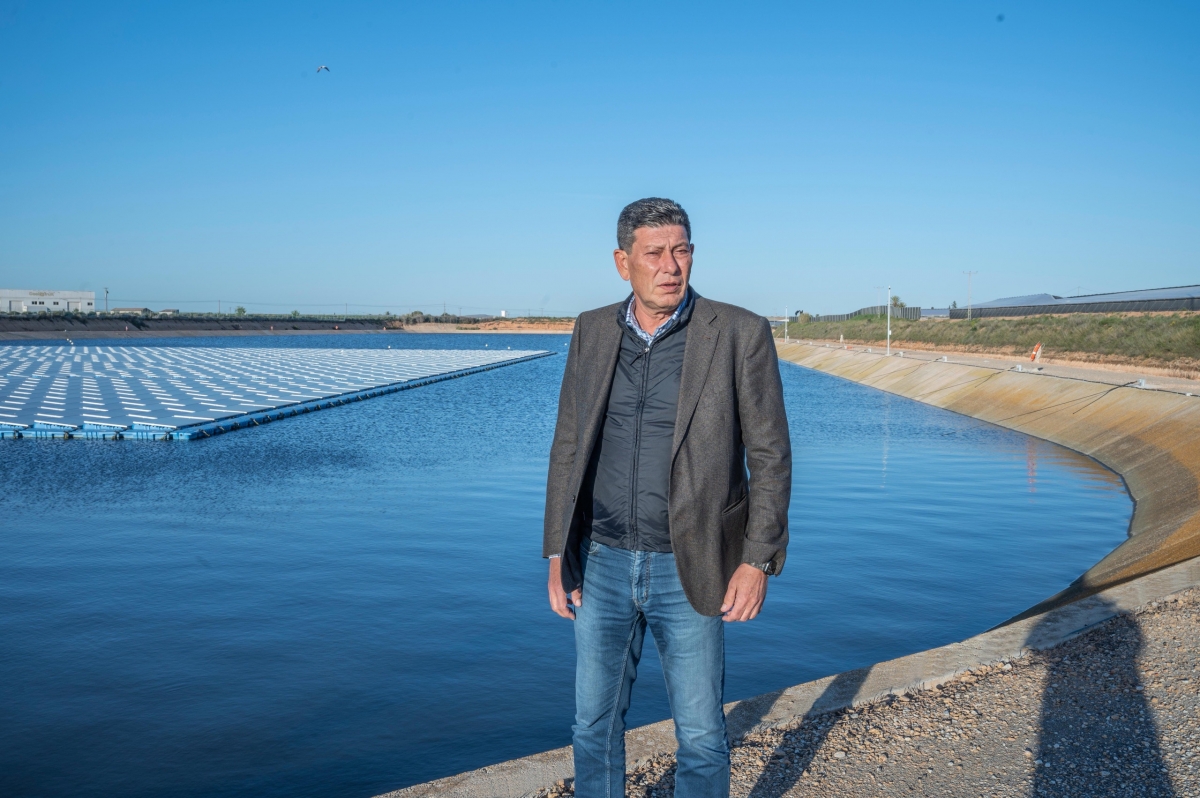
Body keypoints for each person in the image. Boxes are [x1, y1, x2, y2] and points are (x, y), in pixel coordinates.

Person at [544, 198, 792, 798]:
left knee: (703, 735)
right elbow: (570, 443)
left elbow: (770, 456)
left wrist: (756, 560)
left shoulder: (738, 332)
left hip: (693, 565)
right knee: (592, 726)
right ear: (622, 261)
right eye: (654, 253)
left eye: (681, 250)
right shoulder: (592, 329)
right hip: (602, 562)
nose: (670, 265)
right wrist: (558, 553)